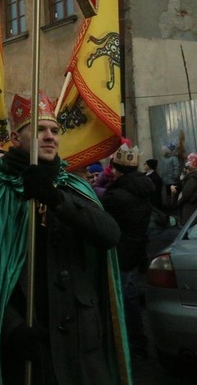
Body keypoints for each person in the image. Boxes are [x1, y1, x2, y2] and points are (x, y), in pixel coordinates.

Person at [0, 93, 129, 384]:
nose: (49, 137)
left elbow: (109, 234)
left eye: (54, 130)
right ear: (15, 137)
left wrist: (56, 199)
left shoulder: (74, 188)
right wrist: (11, 327)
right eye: (39, 129)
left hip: (81, 342)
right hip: (29, 345)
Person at [100, 143, 152, 360]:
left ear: (116, 169)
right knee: (130, 300)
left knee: (117, 302)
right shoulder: (143, 187)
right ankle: (138, 343)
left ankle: (123, 348)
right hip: (135, 250)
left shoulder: (117, 196)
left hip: (119, 253)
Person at [173, 152, 197, 225]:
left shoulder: (192, 178)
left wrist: (179, 202)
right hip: (192, 205)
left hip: (190, 207)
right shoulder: (192, 176)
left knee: (188, 226)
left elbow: (186, 193)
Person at [161, 143, 180, 209]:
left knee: (174, 194)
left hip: (172, 181)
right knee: (168, 194)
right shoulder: (165, 158)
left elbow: (176, 168)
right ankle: (170, 207)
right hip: (166, 180)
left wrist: (175, 176)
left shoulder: (174, 158)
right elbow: (163, 169)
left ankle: (175, 207)